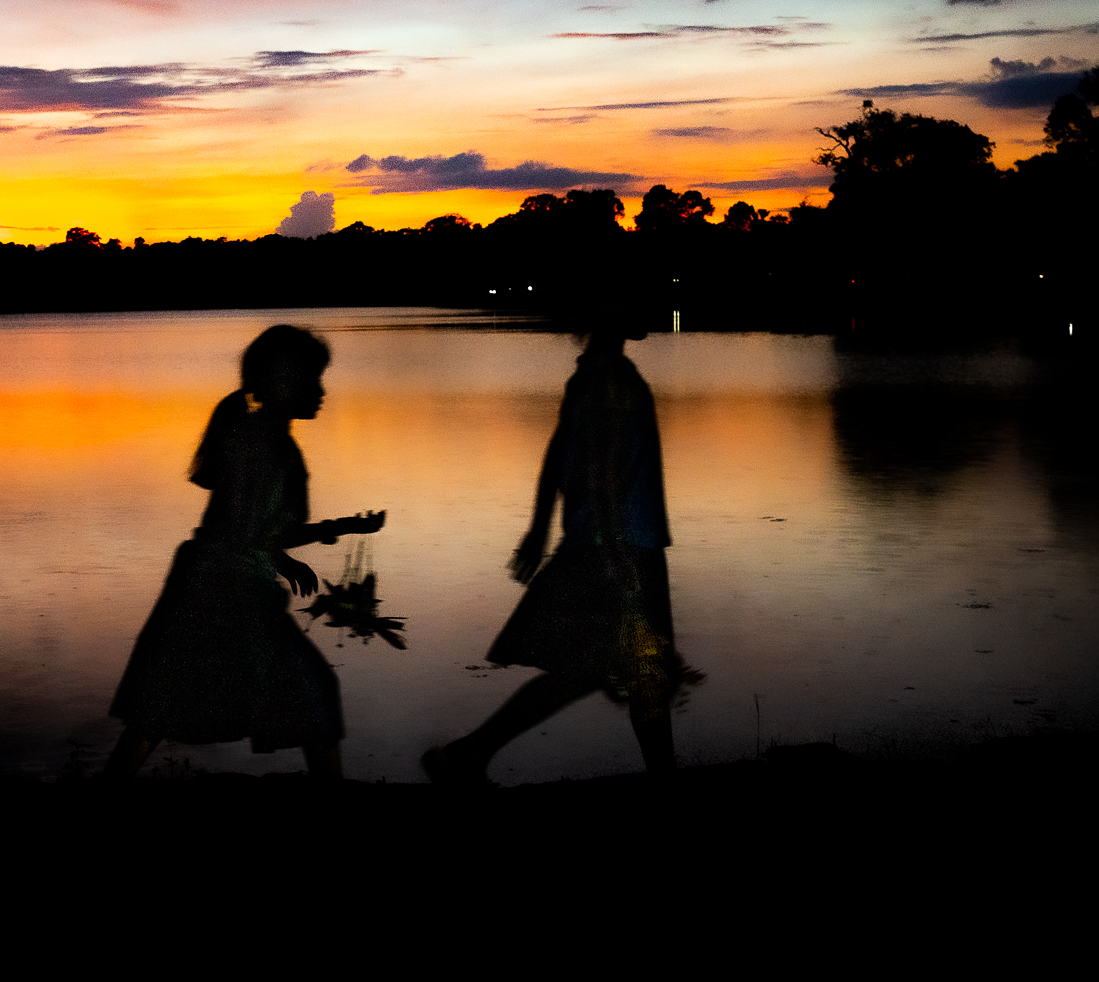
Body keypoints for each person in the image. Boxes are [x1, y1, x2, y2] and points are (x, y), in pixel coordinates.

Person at [423, 306, 694, 786]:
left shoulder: (591, 373)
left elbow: (558, 451)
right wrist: (616, 558)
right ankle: (469, 753)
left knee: (606, 671)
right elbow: (603, 471)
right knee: (631, 673)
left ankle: (468, 754)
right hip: (621, 545)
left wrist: (540, 527)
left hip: (604, 542)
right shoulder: (610, 379)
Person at [105, 325, 384, 780]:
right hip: (230, 591)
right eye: (313, 380)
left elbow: (247, 526)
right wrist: (334, 531)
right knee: (312, 691)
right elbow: (253, 532)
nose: (321, 391)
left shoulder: (251, 434)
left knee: (164, 702)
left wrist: (304, 546)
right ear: (284, 381)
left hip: (204, 579)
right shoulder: (271, 446)